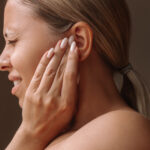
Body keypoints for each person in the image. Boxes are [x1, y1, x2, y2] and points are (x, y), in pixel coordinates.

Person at [0, 0, 150, 149]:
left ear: (78, 41)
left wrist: (29, 135)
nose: (2, 62)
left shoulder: (122, 130)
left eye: (12, 40)